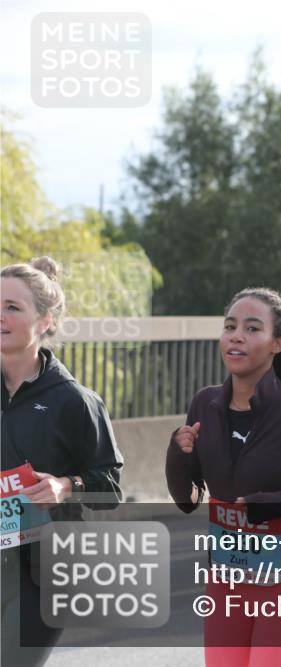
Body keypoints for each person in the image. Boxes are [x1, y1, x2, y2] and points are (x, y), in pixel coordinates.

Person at [166, 277, 281, 667]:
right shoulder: (205, 403)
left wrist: (273, 505)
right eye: (230, 326)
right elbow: (187, 501)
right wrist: (178, 455)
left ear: (277, 343)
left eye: (252, 329)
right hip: (225, 580)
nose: (237, 337)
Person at [2, 257, 124, 667]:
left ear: (44, 320)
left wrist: (65, 486)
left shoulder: (74, 401)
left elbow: (111, 488)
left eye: (12, 307)